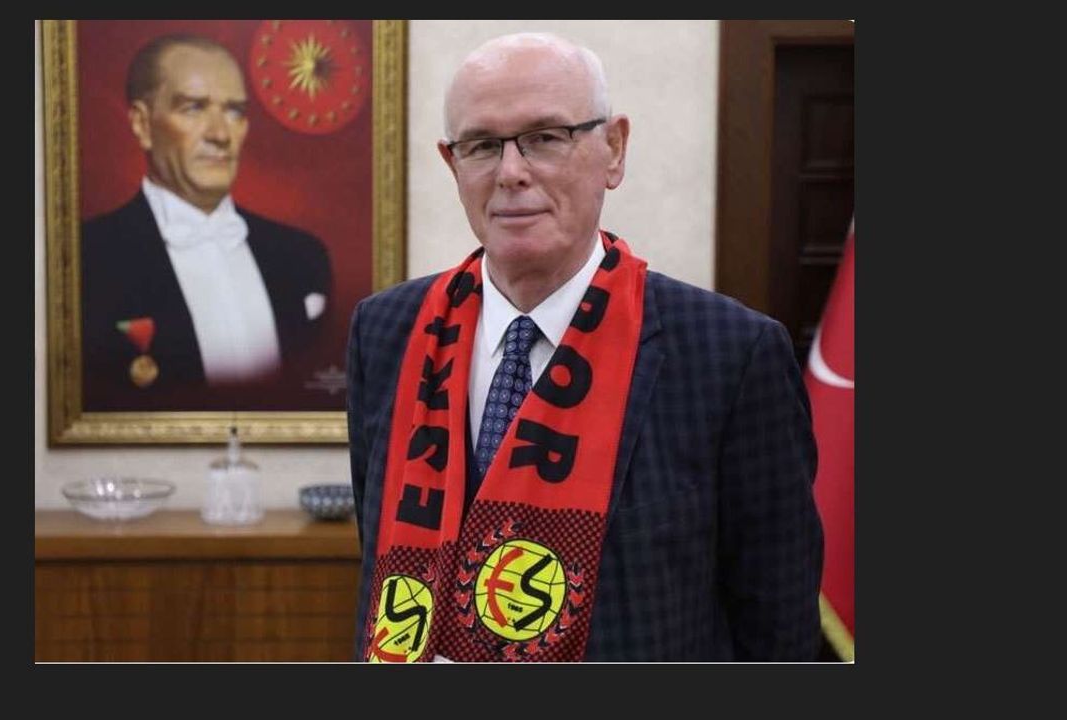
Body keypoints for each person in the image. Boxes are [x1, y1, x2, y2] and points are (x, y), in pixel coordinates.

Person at [345, 33, 823, 662]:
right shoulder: (387, 331)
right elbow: (381, 551)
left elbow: (777, 629)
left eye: (546, 137)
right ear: (452, 163)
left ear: (614, 150)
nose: (511, 172)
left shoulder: (731, 355)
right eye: (482, 145)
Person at [81, 34, 332, 411]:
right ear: (142, 124)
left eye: (234, 112)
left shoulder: (302, 257)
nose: (220, 134)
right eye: (193, 108)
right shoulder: (88, 258)